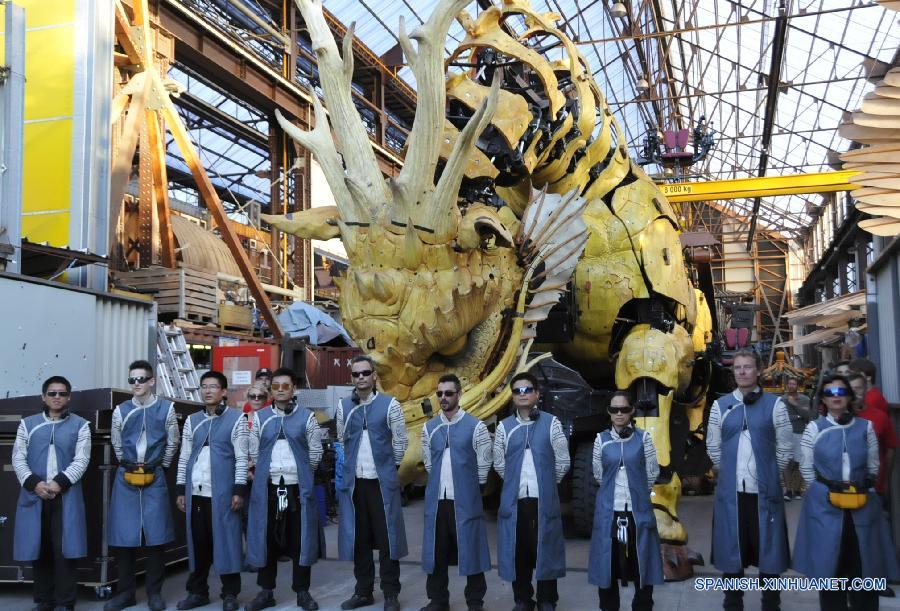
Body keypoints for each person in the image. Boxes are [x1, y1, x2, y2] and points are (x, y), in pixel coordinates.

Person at [793, 373, 900, 610]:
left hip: (863, 506)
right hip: (826, 508)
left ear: (850, 396)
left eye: (841, 391)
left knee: (866, 566)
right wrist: (821, 491)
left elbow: (873, 465)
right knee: (832, 569)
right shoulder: (814, 428)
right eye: (830, 392)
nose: (836, 397)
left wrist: (864, 486)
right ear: (823, 398)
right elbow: (806, 466)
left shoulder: (866, 427)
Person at [706, 350, 792, 611]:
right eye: (738, 368)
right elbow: (713, 446)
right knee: (733, 553)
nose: (742, 372)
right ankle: (732, 604)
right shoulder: (720, 407)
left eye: (747, 367)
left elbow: (785, 447)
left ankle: (771, 604)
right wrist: (729, 470)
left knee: (770, 553)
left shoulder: (775, 405)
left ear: (759, 371)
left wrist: (768, 473)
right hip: (732, 496)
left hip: (764, 494)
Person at [245, 368, 323, 611]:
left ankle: (302, 592)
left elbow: (315, 453)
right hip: (267, 489)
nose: (280, 390)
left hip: (296, 490)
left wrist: (299, 475)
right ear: (271, 390)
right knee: (266, 539)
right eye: (275, 386)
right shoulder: (260, 417)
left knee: (300, 539)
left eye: (285, 386)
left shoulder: (307, 418)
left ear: (294, 389)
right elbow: (252, 451)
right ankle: (266, 592)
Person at [105, 360, 180, 611]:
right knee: (124, 538)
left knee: (155, 538)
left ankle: (154, 594)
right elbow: (116, 443)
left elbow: (172, 443)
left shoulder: (166, 409)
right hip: (126, 476)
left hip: (155, 475)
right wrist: (128, 464)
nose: (136, 384)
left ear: (151, 381)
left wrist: (160, 468)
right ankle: (125, 593)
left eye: (140, 379)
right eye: (132, 380)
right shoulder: (121, 410)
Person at [336, 355, 409, 611]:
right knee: (360, 540)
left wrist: (390, 469)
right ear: (352, 377)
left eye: (365, 373)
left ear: (374, 375)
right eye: (356, 374)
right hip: (356, 484)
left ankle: (390, 593)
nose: (361, 378)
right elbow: (342, 441)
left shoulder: (390, 405)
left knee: (388, 539)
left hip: (381, 484)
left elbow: (400, 442)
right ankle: (363, 591)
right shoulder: (344, 406)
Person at [13, 376, 91, 611]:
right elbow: (18, 458)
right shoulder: (27, 424)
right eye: (52, 393)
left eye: (62, 393)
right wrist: (35, 484)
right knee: (40, 548)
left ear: (69, 397)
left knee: (65, 549)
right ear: (43, 396)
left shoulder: (81, 425)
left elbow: (82, 458)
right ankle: (44, 600)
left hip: (66, 496)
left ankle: (66, 602)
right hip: (34, 496)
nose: (57, 397)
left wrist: (59, 483)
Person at [494, 372, 570, 611]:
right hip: (515, 502)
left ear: (537, 394)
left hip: (542, 501)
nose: (523, 394)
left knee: (546, 548)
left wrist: (546, 483)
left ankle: (547, 599)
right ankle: (523, 599)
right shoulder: (504, 427)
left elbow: (563, 461)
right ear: (513, 396)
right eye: (517, 391)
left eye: (527, 390)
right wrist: (515, 480)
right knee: (519, 551)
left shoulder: (552, 423)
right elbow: (499, 464)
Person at [175, 371, 248, 611]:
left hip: (224, 495)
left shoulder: (236, 419)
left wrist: (238, 490)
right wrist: (180, 489)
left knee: (226, 542)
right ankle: (198, 592)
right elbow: (185, 456)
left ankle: (230, 594)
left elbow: (241, 458)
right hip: (196, 493)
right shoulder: (192, 420)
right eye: (204, 386)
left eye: (213, 387)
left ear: (224, 392)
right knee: (199, 544)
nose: (207, 391)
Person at [420, 374, 492, 611]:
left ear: (459, 395)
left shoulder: (476, 426)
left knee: (471, 550)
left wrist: (472, 491)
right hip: (438, 503)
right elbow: (429, 464)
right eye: (439, 393)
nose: (443, 398)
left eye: (448, 393)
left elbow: (484, 465)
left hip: (466, 501)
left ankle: (475, 602)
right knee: (436, 553)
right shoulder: (429, 428)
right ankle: (438, 601)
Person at [588, 391, 663, 611]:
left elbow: (652, 472)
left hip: (637, 512)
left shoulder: (644, 438)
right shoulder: (600, 440)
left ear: (631, 411)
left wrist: (638, 493)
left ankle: (642, 606)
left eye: (623, 409)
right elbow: (598, 474)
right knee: (607, 566)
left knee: (642, 564)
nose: (619, 413)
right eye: (614, 409)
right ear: (609, 412)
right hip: (609, 513)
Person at [850, 358, 897, 500]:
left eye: (855, 373)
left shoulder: (873, 400)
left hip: (870, 479)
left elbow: (888, 446)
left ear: (867, 378)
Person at [781, 376, 813, 501]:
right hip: (785, 434)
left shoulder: (804, 399)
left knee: (799, 462)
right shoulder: (781, 400)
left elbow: (808, 415)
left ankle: (798, 489)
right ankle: (789, 490)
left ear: (797, 386)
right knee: (787, 462)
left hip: (800, 433)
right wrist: (797, 416)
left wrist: (795, 405)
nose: (791, 386)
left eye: (794, 384)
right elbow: (783, 417)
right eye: (789, 383)